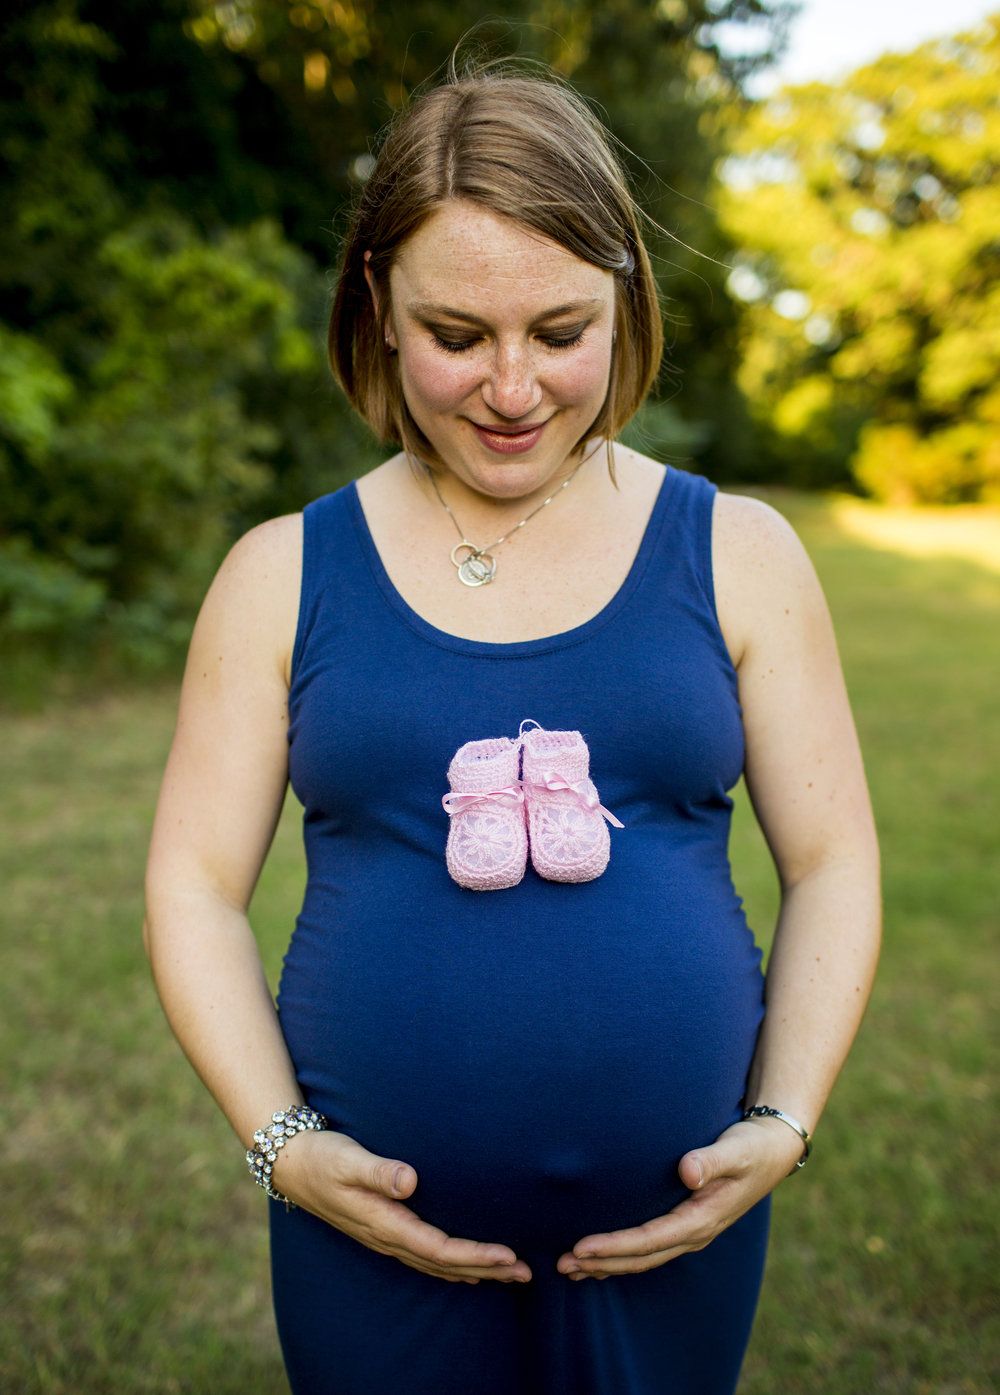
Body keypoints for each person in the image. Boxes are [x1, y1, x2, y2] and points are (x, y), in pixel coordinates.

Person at [144, 60, 880, 1395]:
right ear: (377, 303)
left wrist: (784, 1119)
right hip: (366, 1246)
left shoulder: (740, 553)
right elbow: (193, 888)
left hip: (677, 1248)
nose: (511, 385)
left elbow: (833, 862)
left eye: (559, 330)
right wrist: (279, 1143)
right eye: (456, 334)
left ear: (626, 301)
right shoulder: (281, 574)